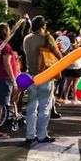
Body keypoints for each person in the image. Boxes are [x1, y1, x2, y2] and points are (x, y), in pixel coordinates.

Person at [21, 16, 62, 146]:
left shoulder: (26, 38)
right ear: (43, 26)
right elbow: (58, 55)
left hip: (31, 76)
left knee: (31, 107)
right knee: (45, 106)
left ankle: (29, 135)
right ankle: (42, 134)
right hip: (45, 75)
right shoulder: (46, 38)